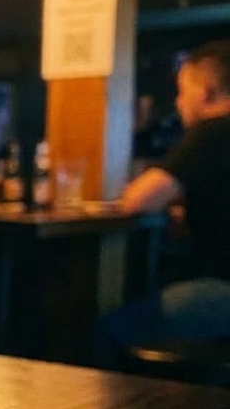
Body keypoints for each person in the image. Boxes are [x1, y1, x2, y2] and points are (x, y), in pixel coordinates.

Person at [98, 41, 230, 361]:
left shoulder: (213, 131)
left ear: (206, 92)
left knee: (106, 332)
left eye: (182, 91)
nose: (178, 102)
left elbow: (138, 200)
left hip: (222, 293)